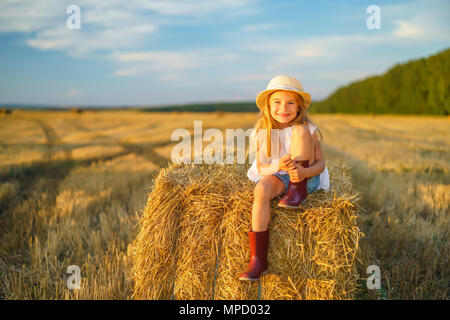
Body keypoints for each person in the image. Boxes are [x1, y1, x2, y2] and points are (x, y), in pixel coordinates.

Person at [239, 75, 330, 281]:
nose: (284, 108)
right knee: (261, 190)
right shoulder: (264, 132)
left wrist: (303, 173)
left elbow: (321, 164)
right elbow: (263, 168)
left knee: (299, 131)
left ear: (299, 107)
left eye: (291, 102)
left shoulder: (307, 129)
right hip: (280, 175)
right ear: (268, 107)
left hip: (306, 178)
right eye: (277, 102)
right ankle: (258, 260)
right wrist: (279, 165)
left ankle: (297, 191)